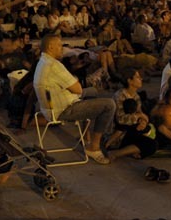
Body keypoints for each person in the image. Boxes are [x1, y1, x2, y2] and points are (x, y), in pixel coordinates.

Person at [33, 34, 116, 164]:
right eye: (60, 45)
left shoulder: (43, 62)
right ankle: (94, 147)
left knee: (93, 92)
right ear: (50, 47)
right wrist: (74, 83)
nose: (62, 48)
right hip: (64, 110)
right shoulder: (54, 66)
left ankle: (87, 137)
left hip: (52, 106)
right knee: (109, 105)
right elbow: (77, 89)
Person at [108, 68, 158, 161]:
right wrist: (139, 117)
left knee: (153, 141)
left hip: (133, 129)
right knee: (150, 144)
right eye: (138, 77)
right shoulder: (120, 95)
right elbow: (121, 119)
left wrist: (142, 121)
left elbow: (139, 113)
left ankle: (130, 151)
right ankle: (116, 153)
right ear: (130, 80)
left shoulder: (136, 96)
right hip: (121, 132)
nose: (141, 79)